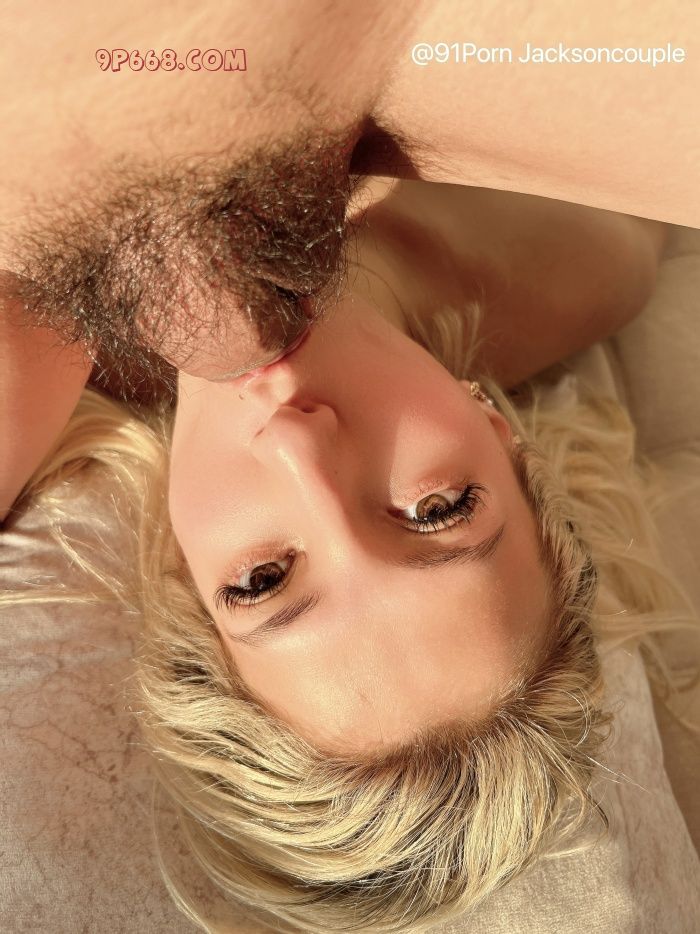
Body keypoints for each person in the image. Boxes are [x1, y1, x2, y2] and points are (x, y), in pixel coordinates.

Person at [3, 179, 697, 933]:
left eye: (263, 580)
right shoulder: (590, 247)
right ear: (503, 438)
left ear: (185, 575)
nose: (299, 448)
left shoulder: (32, 351)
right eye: (436, 510)